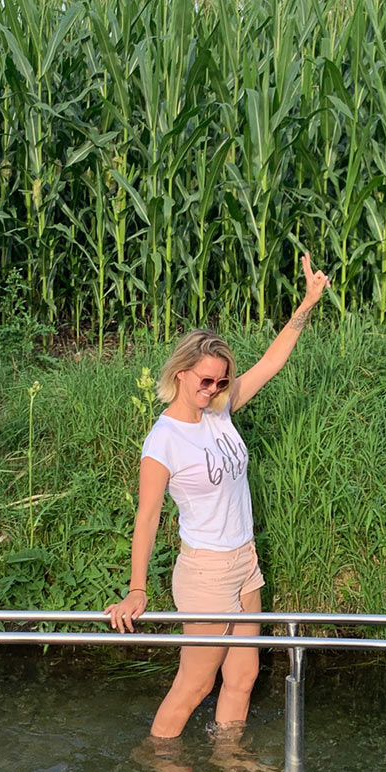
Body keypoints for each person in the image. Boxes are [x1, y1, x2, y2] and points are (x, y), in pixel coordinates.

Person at [105, 254, 330, 739]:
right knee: (196, 680)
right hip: (205, 571)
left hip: (244, 561)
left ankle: (228, 767)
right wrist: (137, 588)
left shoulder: (220, 411)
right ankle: (159, 764)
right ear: (181, 373)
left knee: (244, 676)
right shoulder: (163, 439)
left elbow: (272, 362)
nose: (212, 389)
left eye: (221, 380)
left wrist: (307, 303)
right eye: (204, 380)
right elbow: (146, 518)